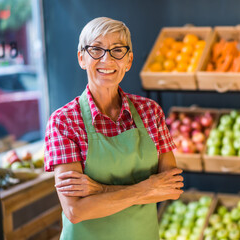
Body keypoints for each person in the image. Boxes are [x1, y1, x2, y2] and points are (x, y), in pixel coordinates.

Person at [44, 17, 183, 240]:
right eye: (96, 49)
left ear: (128, 61)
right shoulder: (64, 121)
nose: (107, 59)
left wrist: (100, 190)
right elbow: (76, 211)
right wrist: (149, 187)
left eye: (117, 50)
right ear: (82, 58)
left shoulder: (150, 112)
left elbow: (171, 189)